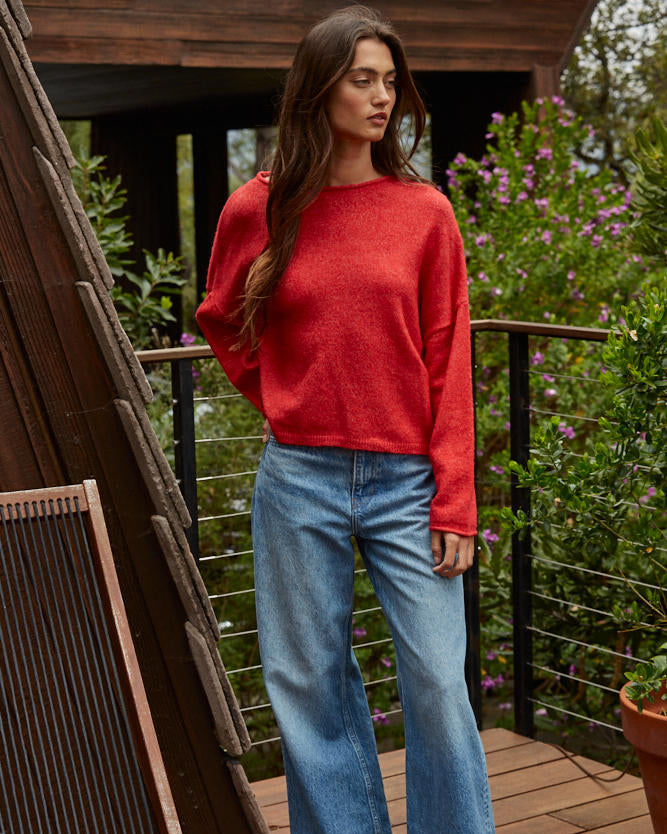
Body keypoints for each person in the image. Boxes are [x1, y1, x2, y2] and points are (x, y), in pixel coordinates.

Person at [196, 6, 495, 833]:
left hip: (407, 482)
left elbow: (448, 361)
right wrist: (282, 396)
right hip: (298, 479)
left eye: (389, 82)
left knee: (437, 679)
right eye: (361, 78)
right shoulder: (257, 208)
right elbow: (221, 316)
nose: (381, 98)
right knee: (308, 684)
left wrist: (455, 500)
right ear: (317, 87)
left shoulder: (423, 212)